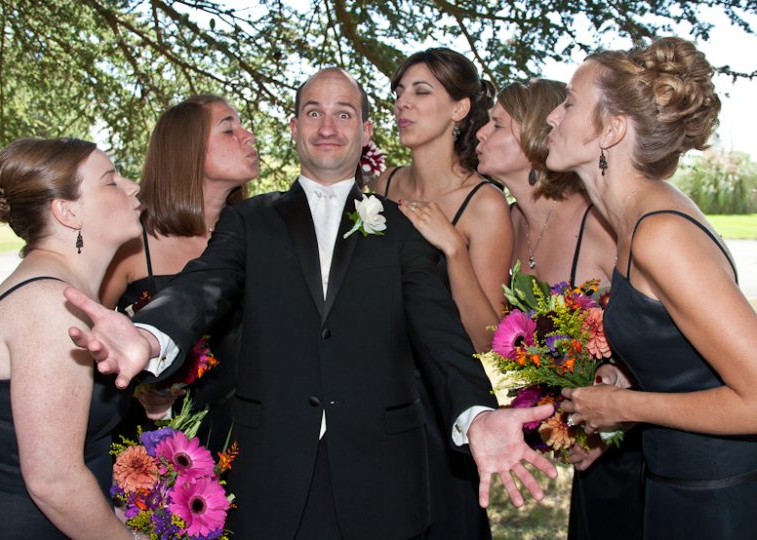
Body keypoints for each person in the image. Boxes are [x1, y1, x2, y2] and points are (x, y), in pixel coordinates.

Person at [64, 67, 557, 540]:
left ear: (365, 132)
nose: (327, 126)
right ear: (294, 126)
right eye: (313, 112)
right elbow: (203, 286)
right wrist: (150, 335)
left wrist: (477, 413)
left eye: (344, 114)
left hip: (380, 479)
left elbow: (440, 335)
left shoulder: (404, 227)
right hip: (269, 477)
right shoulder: (249, 222)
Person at [548, 37, 757, 537]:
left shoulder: (660, 231)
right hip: (674, 485)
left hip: (717, 501)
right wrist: (630, 379)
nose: (553, 117)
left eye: (570, 102)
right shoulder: (637, 219)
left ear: (612, 130)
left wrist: (625, 406)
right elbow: (691, 364)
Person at [476, 78, 644, 539]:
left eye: (495, 124)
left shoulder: (600, 222)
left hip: (642, 449)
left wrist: (616, 426)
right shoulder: (506, 223)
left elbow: (667, 341)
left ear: (532, 134)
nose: (479, 135)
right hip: (587, 454)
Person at [0, 138, 141, 538]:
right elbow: (54, 481)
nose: (133, 187)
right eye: (110, 181)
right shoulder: (50, 306)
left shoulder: (62, 294)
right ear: (67, 211)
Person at [370, 47, 511, 540]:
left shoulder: (485, 203)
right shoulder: (378, 187)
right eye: (399, 92)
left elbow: (490, 337)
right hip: (370, 396)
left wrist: (453, 251)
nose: (402, 104)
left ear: (459, 108)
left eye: (421, 91)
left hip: (442, 404)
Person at [100, 94, 256, 451]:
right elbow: (92, 342)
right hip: (153, 447)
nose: (248, 136)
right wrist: (141, 387)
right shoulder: (131, 241)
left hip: (241, 438)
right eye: (229, 129)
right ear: (187, 150)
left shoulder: (259, 234)